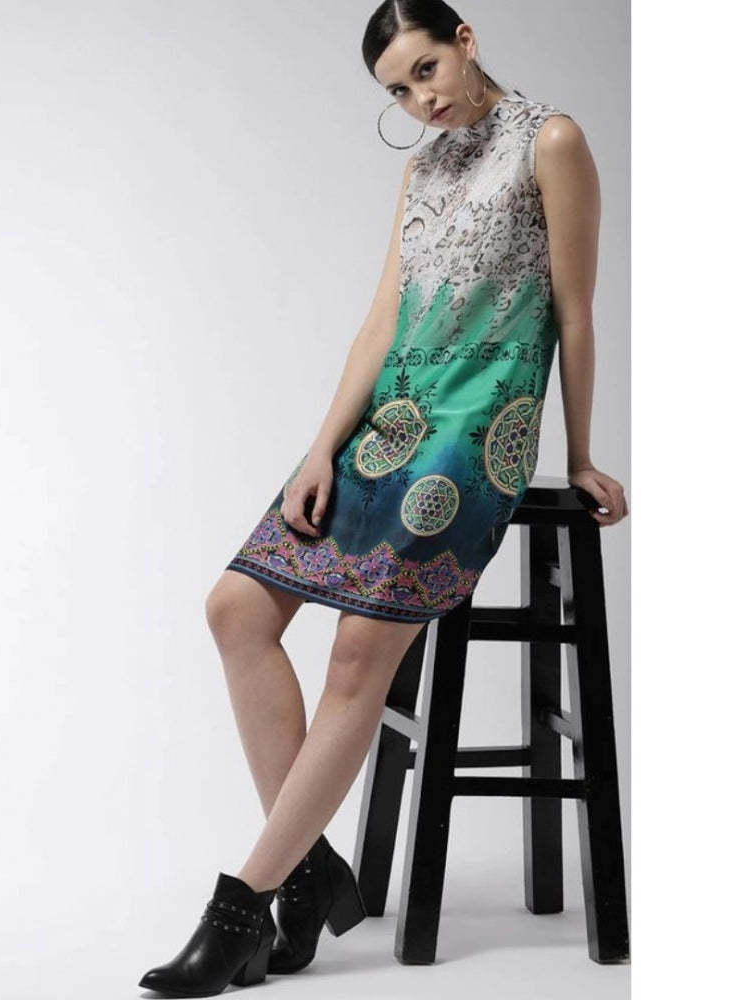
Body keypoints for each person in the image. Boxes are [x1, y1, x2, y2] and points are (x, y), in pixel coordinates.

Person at [138, 0, 629, 994]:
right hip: (391, 419)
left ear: (465, 41)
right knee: (235, 607)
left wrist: (582, 454)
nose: (419, 100)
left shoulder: (552, 140)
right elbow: (379, 325)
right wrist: (321, 449)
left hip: (474, 431)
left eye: (425, 71)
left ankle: (241, 905)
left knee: (359, 648)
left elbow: (575, 311)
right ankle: (311, 871)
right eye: (398, 91)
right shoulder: (423, 168)